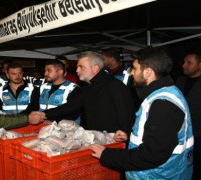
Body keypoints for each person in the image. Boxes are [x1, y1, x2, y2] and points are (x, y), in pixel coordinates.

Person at [89, 46, 194, 179]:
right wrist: (129, 136)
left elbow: (152, 154)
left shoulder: (163, 103)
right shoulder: (163, 93)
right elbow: (161, 136)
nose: (131, 73)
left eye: (134, 68)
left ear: (148, 72)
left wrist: (107, 155)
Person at [39, 51, 135, 136]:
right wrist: (43, 114)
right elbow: (72, 106)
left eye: (81, 67)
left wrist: (124, 134)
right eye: (77, 67)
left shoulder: (115, 86)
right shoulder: (88, 87)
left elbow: (127, 116)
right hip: (96, 138)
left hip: (113, 141)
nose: (77, 70)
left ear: (95, 68)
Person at [176, 51, 201, 180]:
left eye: (189, 62)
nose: (183, 65)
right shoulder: (180, 81)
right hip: (181, 134)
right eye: (184, 62)